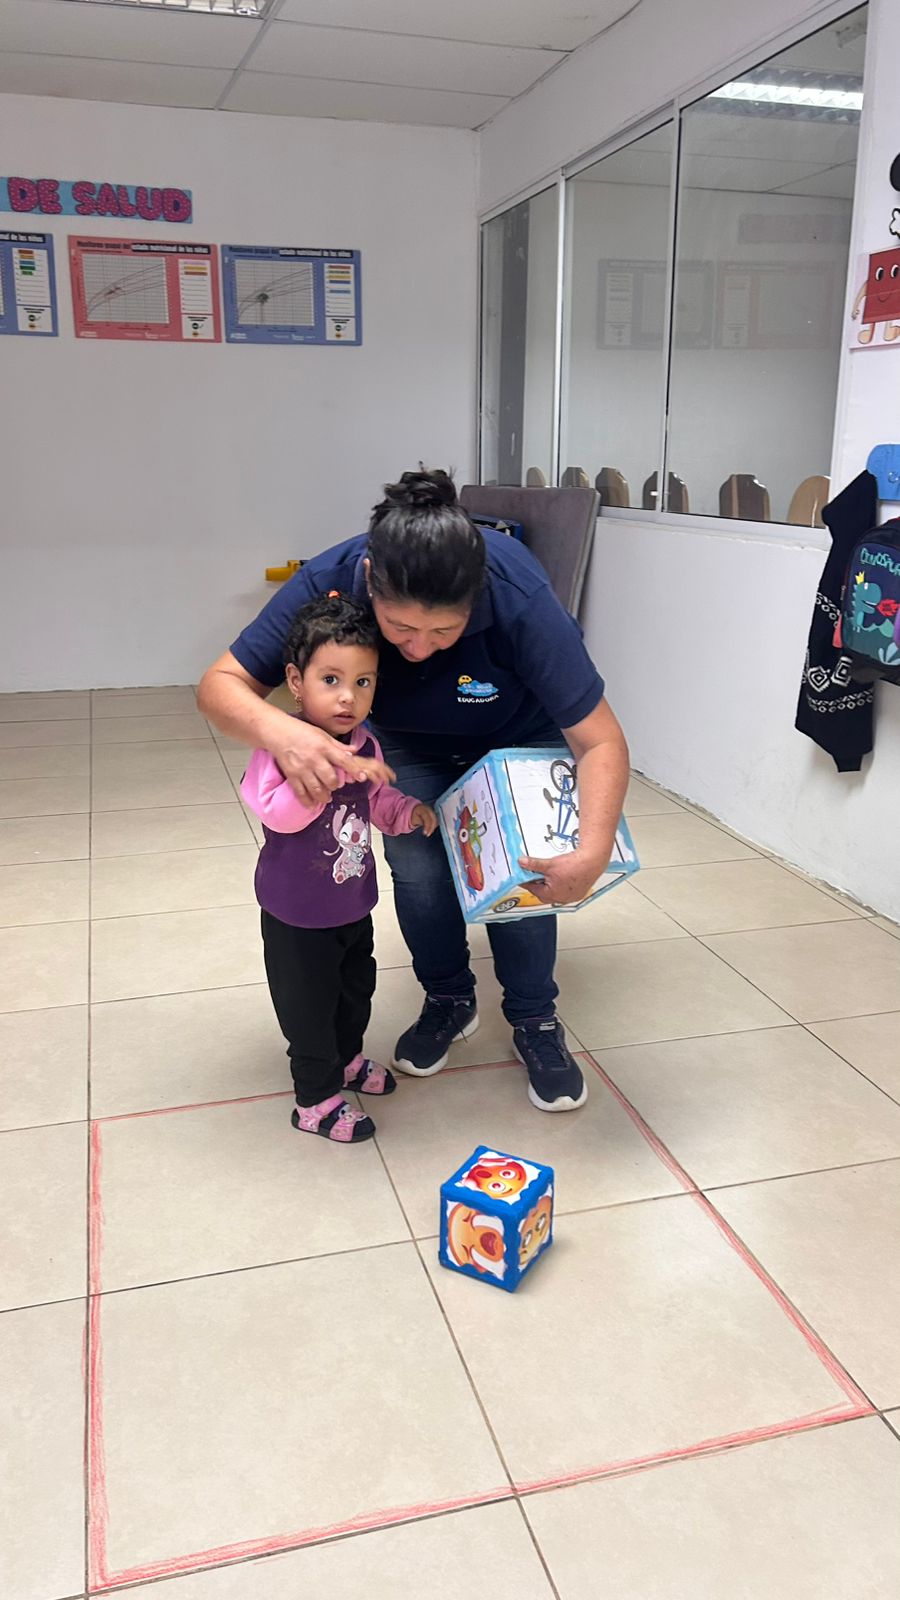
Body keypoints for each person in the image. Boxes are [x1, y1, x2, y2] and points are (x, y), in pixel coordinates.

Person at [199, 469, 629, 1113]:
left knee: (524, 873)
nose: (419, 649)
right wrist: (284, 734)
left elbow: (601, 741)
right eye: (400, 629)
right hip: (407, 741)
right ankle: (449, 997)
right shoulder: (331, 578)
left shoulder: (519, 595)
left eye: (444, 632)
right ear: (369, 579)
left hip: (516, 731)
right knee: (417, 861)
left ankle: (535, 1017)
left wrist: (591, 851)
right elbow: (220, 685)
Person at [240, 592, 437, 1144]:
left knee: (355, 990)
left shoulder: (365, 742)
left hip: (351, 901)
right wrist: (327, 775)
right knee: (308, 1009)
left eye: (363, 681)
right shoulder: (282, 746)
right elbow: (276, 815)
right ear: (296, 682)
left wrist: (405, 811)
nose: (349, 696)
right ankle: (315, 1100)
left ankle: (347, 1059)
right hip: (297, 914)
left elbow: (374, 800)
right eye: (331, 680)